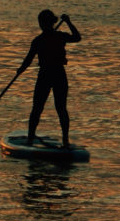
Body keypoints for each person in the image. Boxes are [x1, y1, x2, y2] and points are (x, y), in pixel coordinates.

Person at [16, 9, 82, 149]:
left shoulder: (41, 40)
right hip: (54, 74)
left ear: (43, 24)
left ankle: (59, 140)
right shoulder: (48, 39)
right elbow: (77, 37)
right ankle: (58, 140)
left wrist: (21, 69)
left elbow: (77, 38)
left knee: (49, 108)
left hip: (50, 74)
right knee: (47, 108)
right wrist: (21, 69)